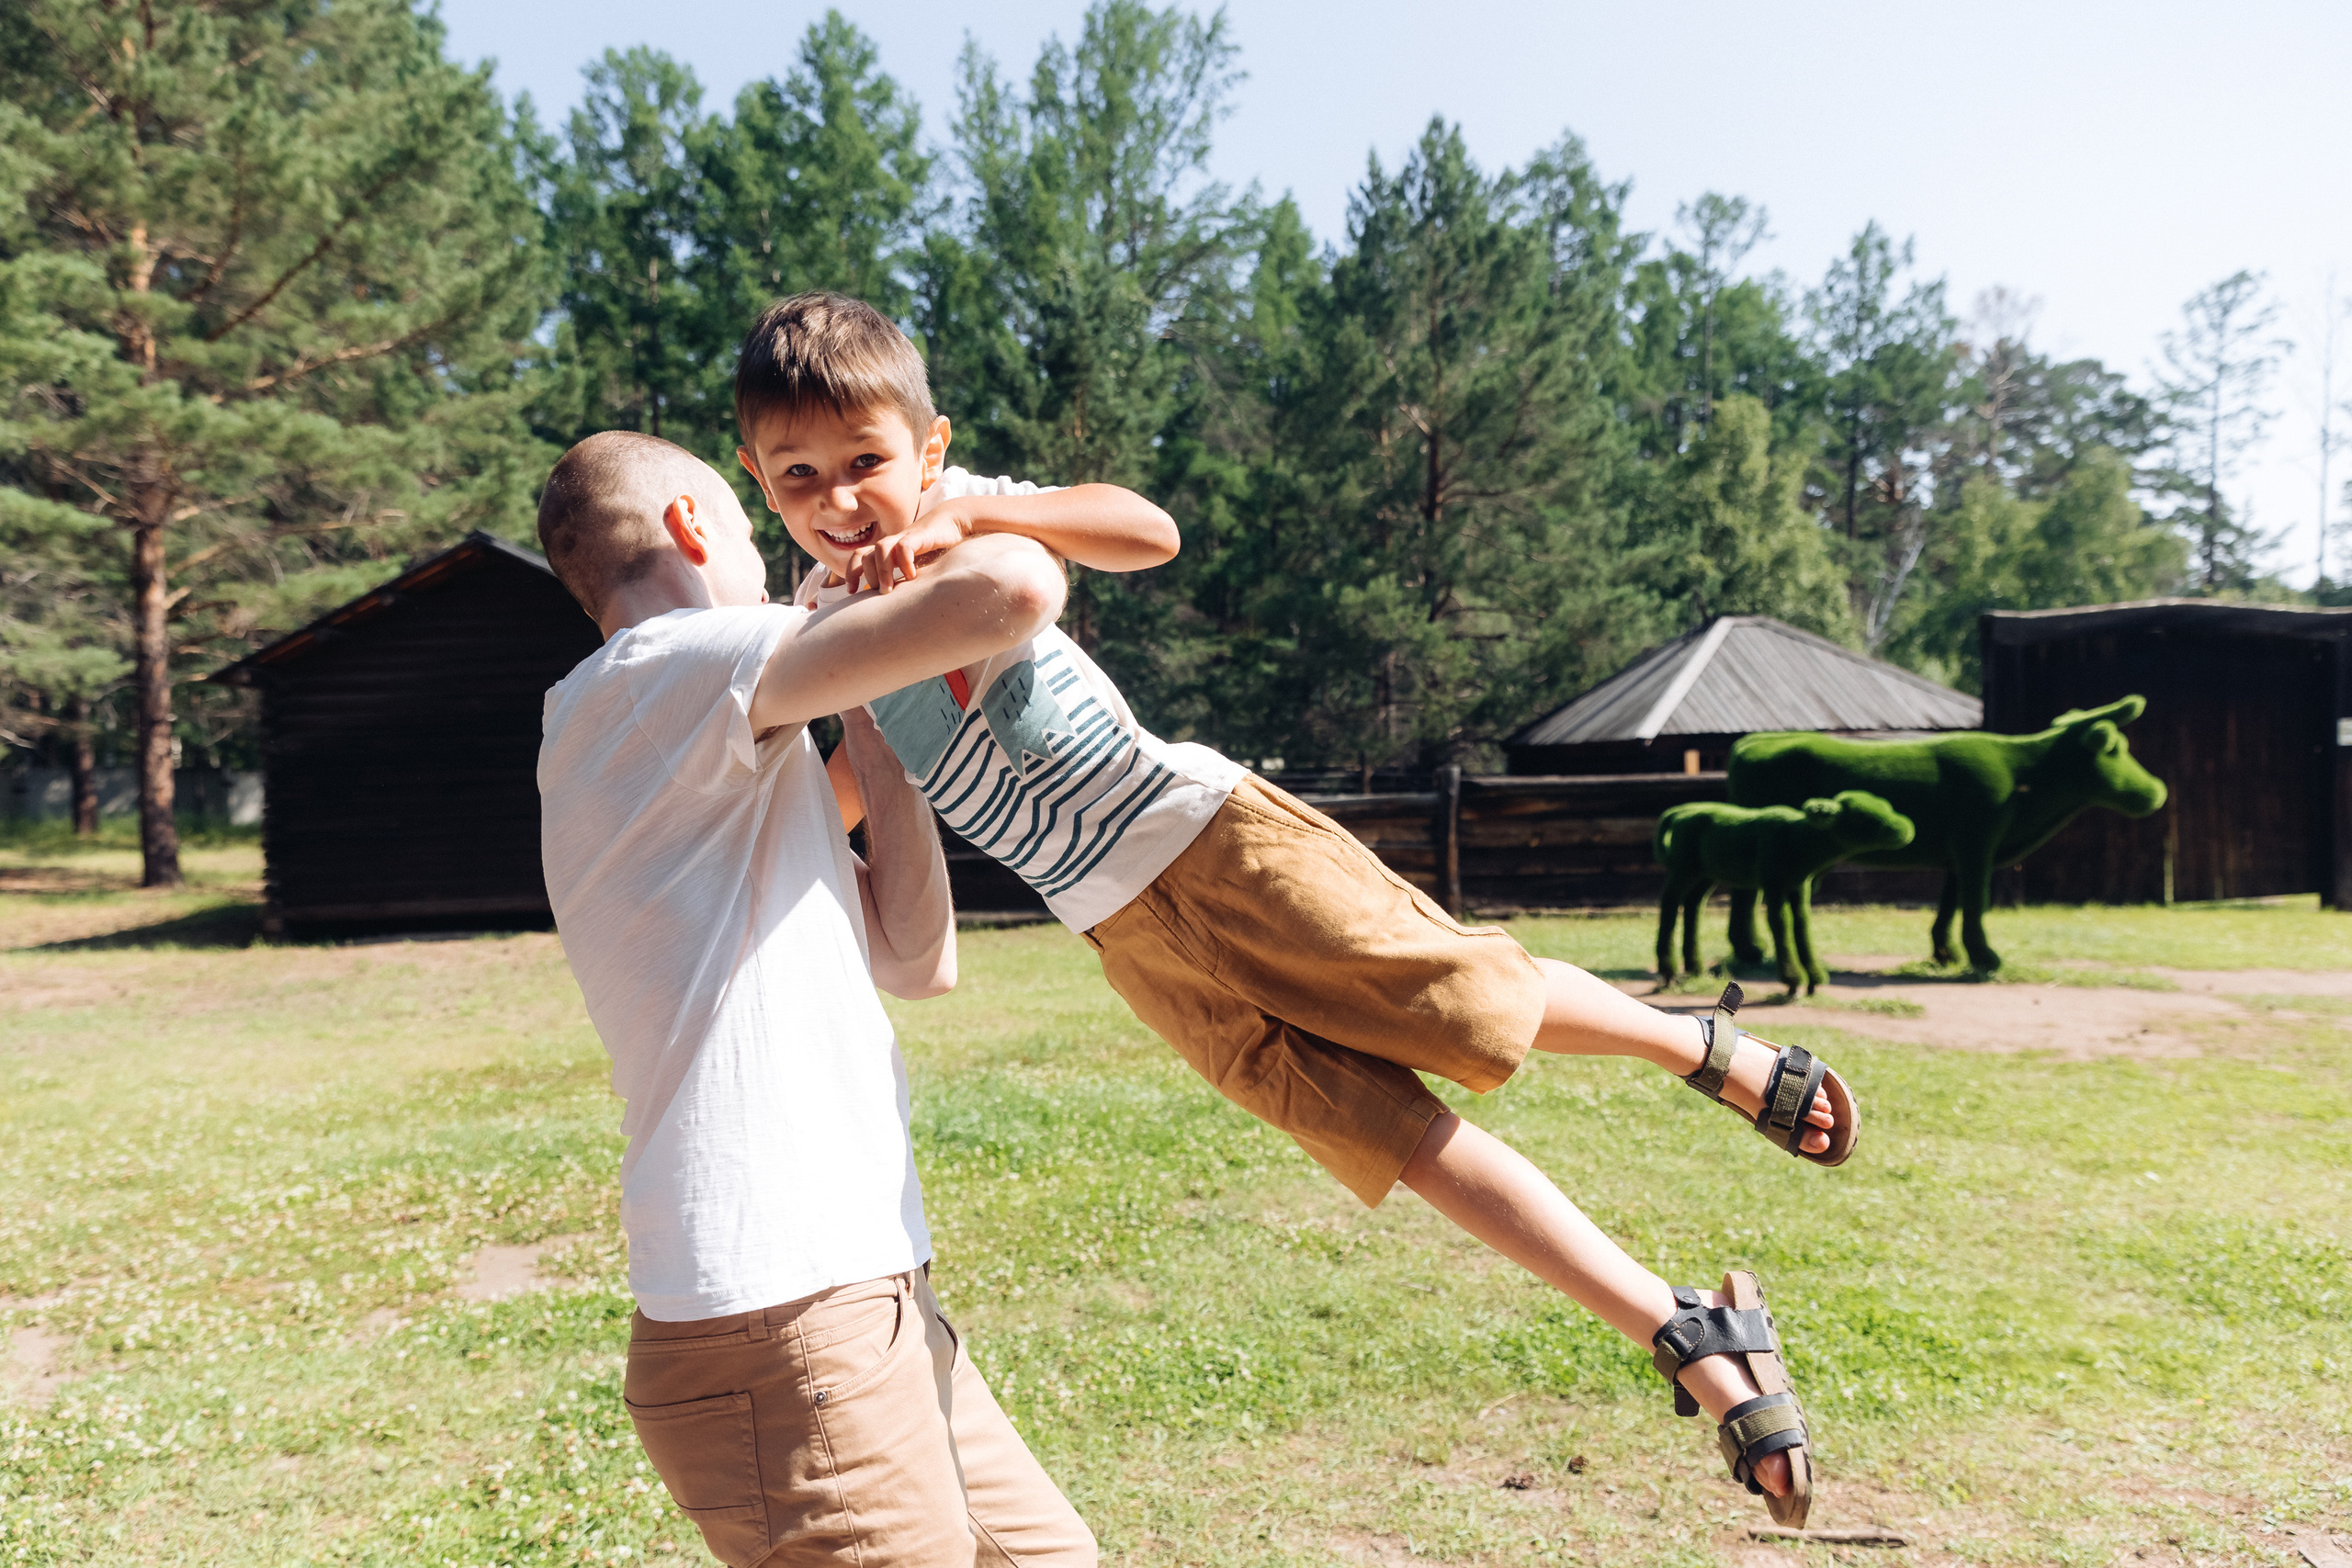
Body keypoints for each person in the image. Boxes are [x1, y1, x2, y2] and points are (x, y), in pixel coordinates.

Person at [732, 292, 1865, 1530]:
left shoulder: (975, 520)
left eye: (867, 465)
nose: (840, 499)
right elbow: (868, 775)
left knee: (1471, 997)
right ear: (758, 478)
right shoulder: (816, 628)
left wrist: (974, 510)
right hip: (1133, 946)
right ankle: (1685, 1326)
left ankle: (1702, 1044)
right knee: (1395, 1141)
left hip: (1215, 843)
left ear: (928, 447)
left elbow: (1143, 531)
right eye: (801, 476)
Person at [535, 428, 1097, 1567]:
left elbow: (916, 956)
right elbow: (1017, 588)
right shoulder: (666, 670)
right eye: (754, 529)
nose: (774, 554)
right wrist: (937, 533)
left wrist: (874, 702)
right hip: (784, 1320)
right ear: (694, 528)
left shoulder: (720, 757)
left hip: (864, 1294)